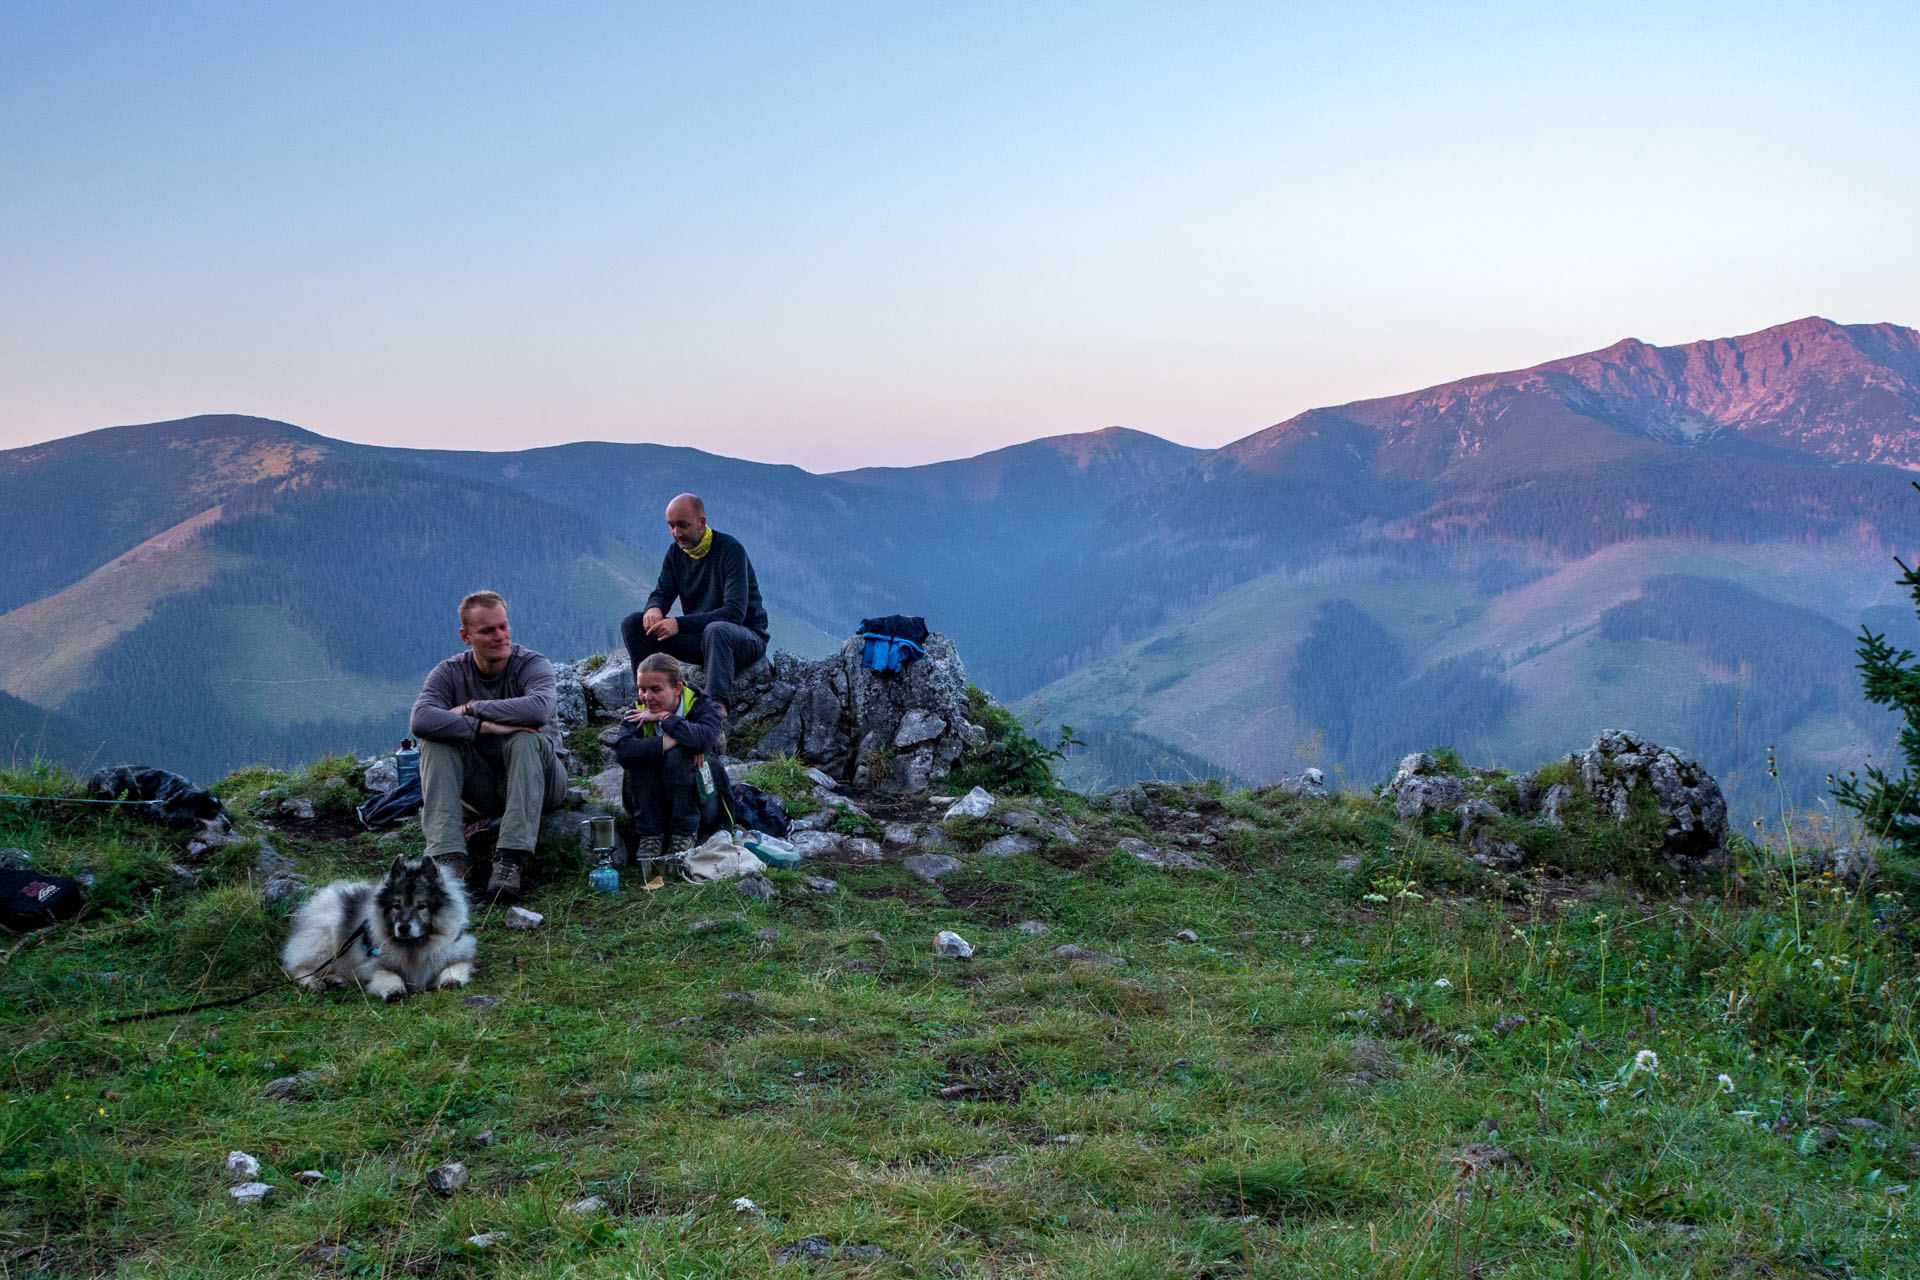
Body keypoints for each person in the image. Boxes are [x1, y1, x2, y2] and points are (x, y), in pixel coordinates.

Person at [409, 590, 569, 902]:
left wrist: (471, 709)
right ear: (465, 636)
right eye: (487, 630)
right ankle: (448, 860)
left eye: (503, 626)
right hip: (486, 788)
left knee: (524, 737)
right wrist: (484, 727)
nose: (499, 636)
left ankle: (509, 859)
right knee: (435, 743)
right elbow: (421, 720)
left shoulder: (532, 665)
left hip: (543, 782)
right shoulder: (449, 672)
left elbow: (538, 710)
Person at [620, 493, 768, 718]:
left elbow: (734, 613)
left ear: (701, 523)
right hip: (702, 641)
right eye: (671, 526)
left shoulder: (730, 550)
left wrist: (678, 624)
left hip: (743, 640)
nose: (676, 533)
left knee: (717, 630)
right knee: (633, 623)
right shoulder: (675, 554)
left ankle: (715, 714)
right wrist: (655, 608)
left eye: (682, 525)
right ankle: (648, 703)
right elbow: (662, 592)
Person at [613, 654, 736, 875]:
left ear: (677, 688)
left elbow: (707, 738)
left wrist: (664, 719)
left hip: (701, 804)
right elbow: (622, 750)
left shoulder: (702, 706)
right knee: (642, 757)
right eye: (642, 689)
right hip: (652, 806)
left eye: (656, 689)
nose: (647, 697)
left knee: (679, 756)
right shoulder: (637, 710)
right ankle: (650, 837)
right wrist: (665, 742)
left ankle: (683, 838)